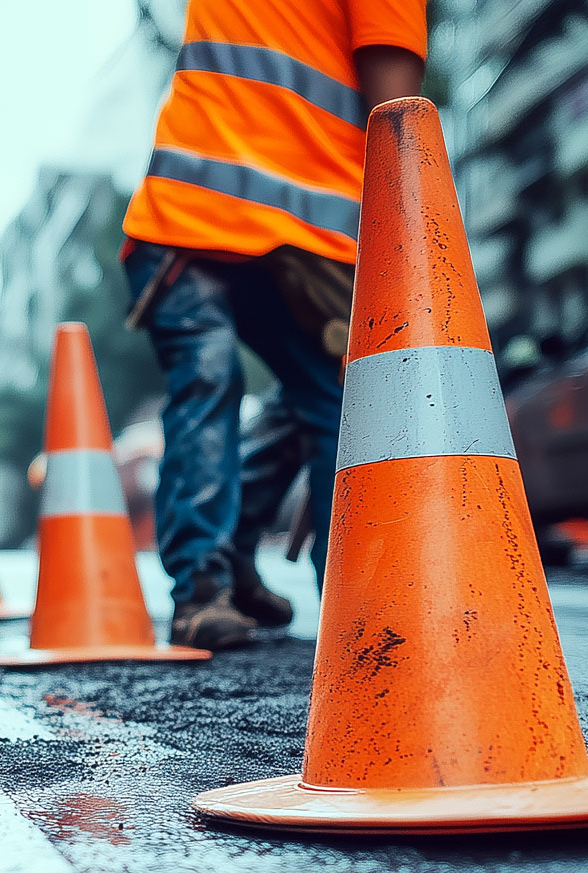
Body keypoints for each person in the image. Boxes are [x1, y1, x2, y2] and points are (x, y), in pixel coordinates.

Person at [121, 0, 426, 651]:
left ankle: (312, 585)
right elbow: (398, 123)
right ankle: (208, 594)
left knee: (334, 400)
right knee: (222, 376)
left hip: (295, 231)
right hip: (201, 215)